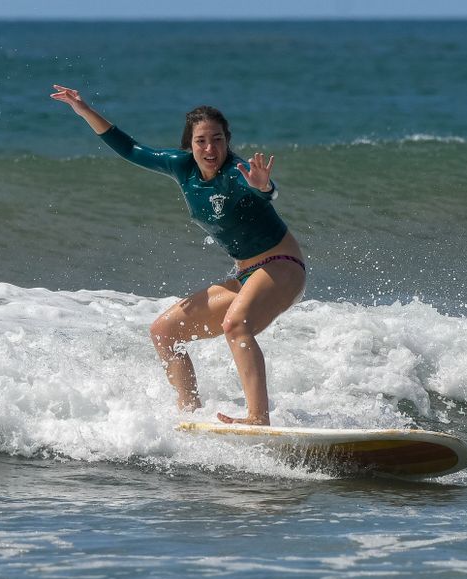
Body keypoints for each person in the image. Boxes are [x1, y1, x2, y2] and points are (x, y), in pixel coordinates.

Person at [50, 85, 306, 426]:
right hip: (245, 275)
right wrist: (83, 109)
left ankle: (258, 418)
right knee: (164, 332)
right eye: (201, 140)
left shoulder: (238, 172)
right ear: (190, 144)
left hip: (282, 266)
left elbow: (264, 194)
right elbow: (129, 148)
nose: (210, 148)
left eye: (217, 139)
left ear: (227, 141)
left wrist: (265, 187)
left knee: (235, 325)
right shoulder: (181, 167)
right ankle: (189, 415)